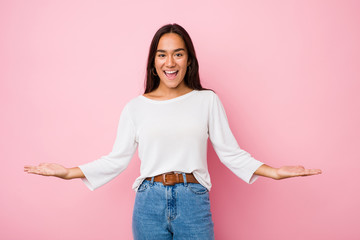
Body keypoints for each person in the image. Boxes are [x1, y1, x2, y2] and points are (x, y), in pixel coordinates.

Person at [24, 23, 322, 240]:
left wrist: (275, 172)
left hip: (193, 199)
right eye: (162, 55)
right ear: (153, 63)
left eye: (178, 54)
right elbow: (116, 159)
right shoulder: (135, 107)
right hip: (148, 201)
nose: (170, 62)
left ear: (188, 59)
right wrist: (67, 172)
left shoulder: (207, 100)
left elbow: (231, 153)